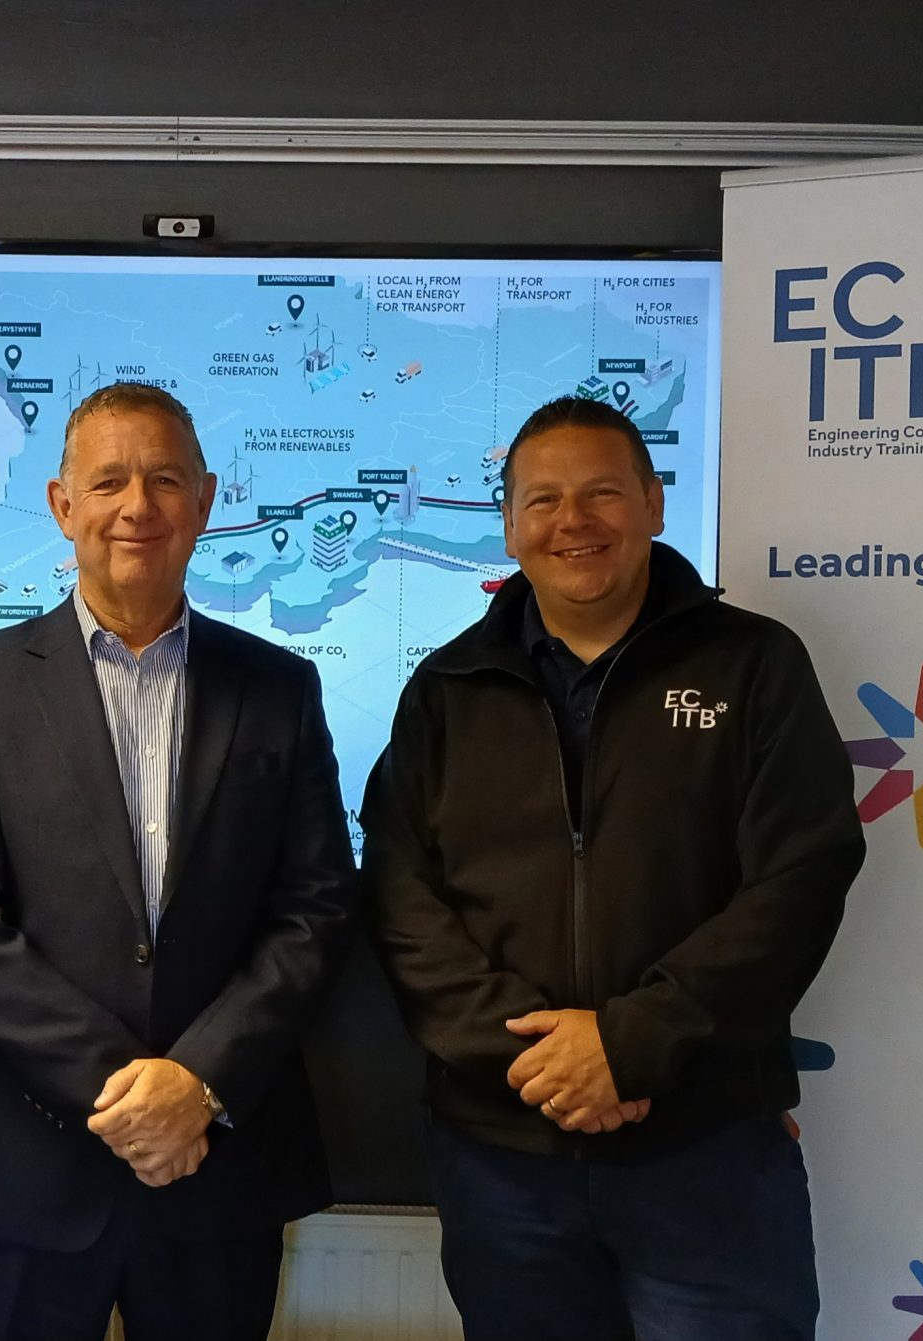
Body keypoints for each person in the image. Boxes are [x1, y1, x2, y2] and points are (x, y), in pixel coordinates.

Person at [363, 396, 865, 1341]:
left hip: (707, 1146)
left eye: (602, 492)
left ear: (654, 504)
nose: (573, 521)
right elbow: (400, 898)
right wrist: (543, 1062)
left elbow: (801, 876)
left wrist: (630, 1043)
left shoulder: (754, 664)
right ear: (510, 526)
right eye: (544, 499)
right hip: (502, 1160)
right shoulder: (445, 691)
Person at [0, 383, 360, 1341]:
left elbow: (315, 909)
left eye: (165, 479)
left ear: (207, 499)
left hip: (217, 1161)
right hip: (16, 1166)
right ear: (63, 505)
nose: (137, 506)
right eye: (108, 481)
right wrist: (134, 1092)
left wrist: (199, 1086)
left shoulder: (280, 688)